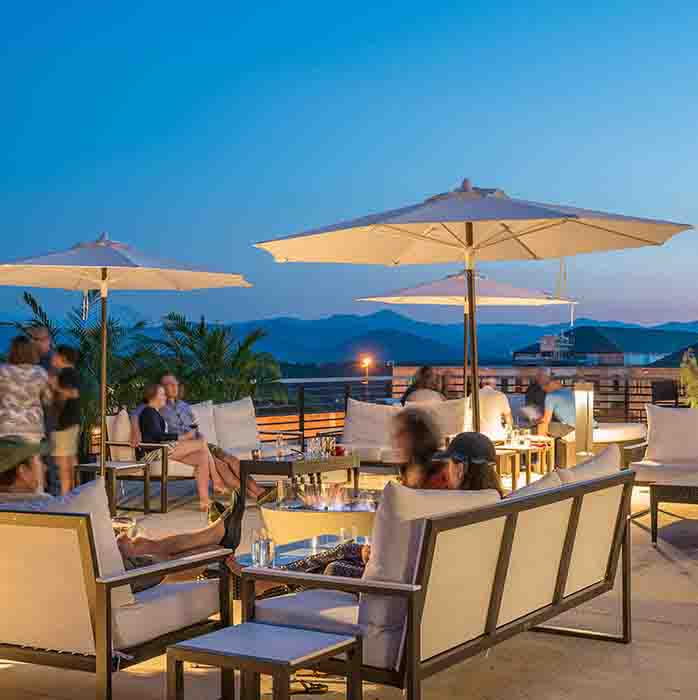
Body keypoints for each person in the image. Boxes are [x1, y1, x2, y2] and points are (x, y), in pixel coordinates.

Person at [0, 436, 245, 582]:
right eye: (36, 463)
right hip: (106, 582)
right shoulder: (51, 509)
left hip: (67, 579)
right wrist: (112, 545)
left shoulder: (19, 511)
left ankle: (213, 534)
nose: (43, 468)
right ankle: (215, 540)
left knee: (139, 544)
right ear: (21, 472)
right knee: (213, 551)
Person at [0, 336, 51, 491]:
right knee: (35, 460)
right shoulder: (40, 373)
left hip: (5, 427)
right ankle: (39, 497)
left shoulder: (3, 371)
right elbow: (48, 399)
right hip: (31, 429)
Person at [428, 432, 505, 497]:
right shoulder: (506, 505)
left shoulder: (446, 507)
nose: (447, 470)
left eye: (449, 463)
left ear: (460, 470)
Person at [49, 346, 82, 495]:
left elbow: (72, 393)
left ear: (62, 358)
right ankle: (74, 494)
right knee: (71, 461)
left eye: (54, 356)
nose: (52, 358)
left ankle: (65, 497)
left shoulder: (66, 373)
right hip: (71, 421)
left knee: (63, 463)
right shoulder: (72, 373)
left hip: (65, 422)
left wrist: (54, 385)